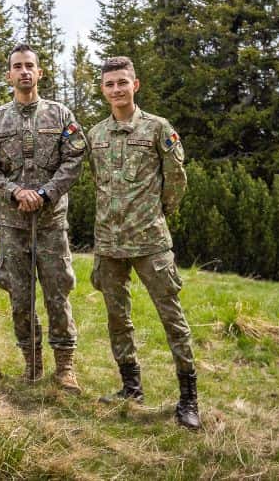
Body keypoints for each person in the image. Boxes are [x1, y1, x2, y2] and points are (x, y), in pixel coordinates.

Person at [87, 56, 201, 429]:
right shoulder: (96, 135)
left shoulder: (157, 128)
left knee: (172, 318)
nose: (116, 89)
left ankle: (188, 399)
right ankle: (130, 387)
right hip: (109, 244)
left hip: (151, 243)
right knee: (118, 319)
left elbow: (176, 180)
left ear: (135, 85)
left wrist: (155, 214)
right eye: (110, 84)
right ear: (103, 90)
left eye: (123, 82)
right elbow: (97, 183)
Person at [0, 44, 86, 392]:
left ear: (40, 73)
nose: (23, 72)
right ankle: (32, 364)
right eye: (17, 67)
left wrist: (46, 192)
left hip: (51, 222)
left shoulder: (61, 115)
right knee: (20, 297)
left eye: (29, 66)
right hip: (13, 225)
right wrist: (13, 191)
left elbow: (75, 160)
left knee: (57, 293)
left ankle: (65, 367)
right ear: (8, 75)